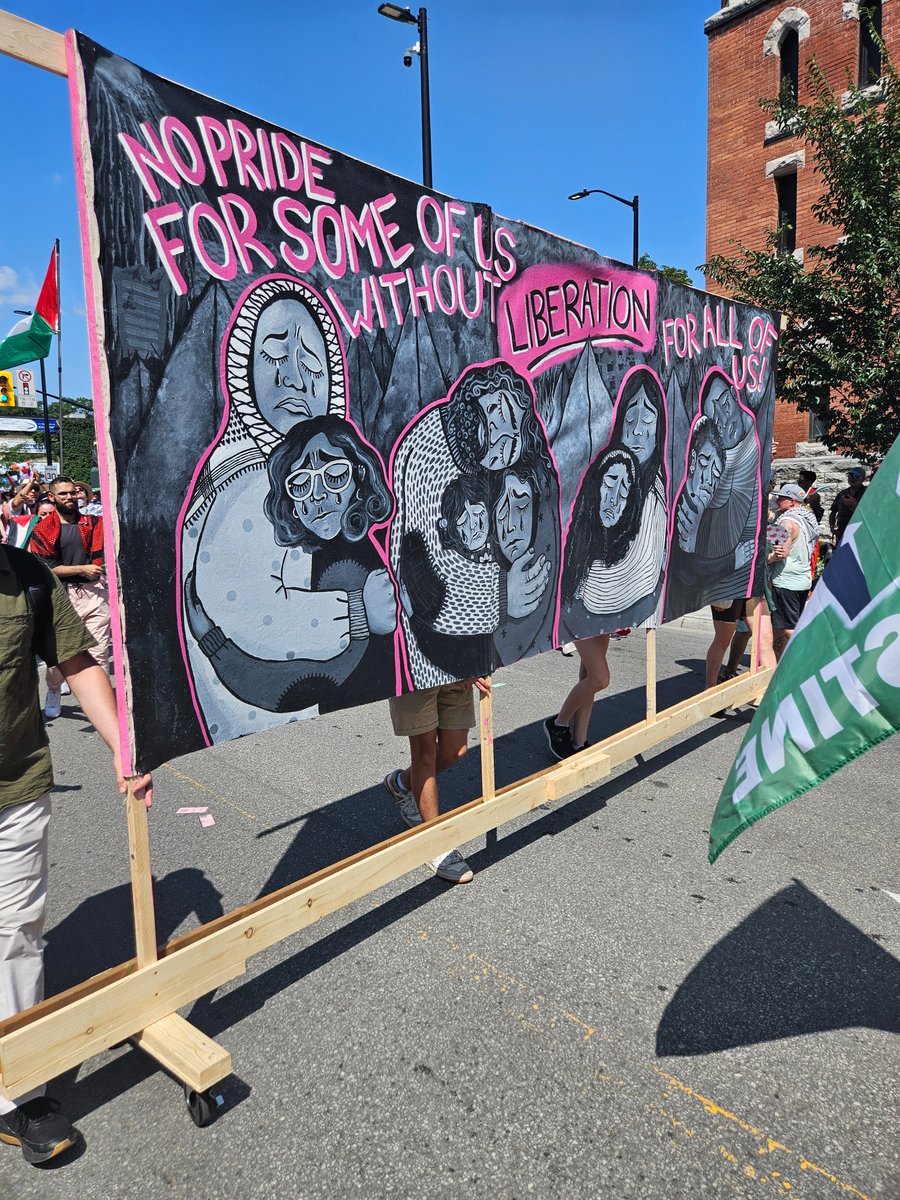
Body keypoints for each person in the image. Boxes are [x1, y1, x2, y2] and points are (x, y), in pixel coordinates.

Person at [0, 541, 152, 1163]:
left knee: (16, 932)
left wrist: (125, 750)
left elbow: (77, 661)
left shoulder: (28, 576)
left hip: (15, 787)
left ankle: (15, 1089)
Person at [180, 275, 349, 743]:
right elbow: (248, 609)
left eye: (311, 360)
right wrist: (359, 612)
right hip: (251, 701)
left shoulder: (289, 472)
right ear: (242, 371)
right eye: (274, 354)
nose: (295, 375)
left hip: (276, 697)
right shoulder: (253, 479)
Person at [184, 415, 397, 718]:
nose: (319, 495)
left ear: (360, 473)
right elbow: (280, 688)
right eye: (300, 484)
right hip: (341, 724)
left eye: (334, 475)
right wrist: (212, 640)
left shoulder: (374, 549)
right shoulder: (305, 562)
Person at [383, 677, 491, 883]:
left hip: (455, 669)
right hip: (415, 670)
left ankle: (400, 783)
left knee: (456, 750)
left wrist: (475, 661)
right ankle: (435, 844)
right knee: (425, 752)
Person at [29, 477, 110, 720]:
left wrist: (95, 572)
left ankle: (103, 710)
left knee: (99, 653)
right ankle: (54, 689)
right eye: (63, 494)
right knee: (60, 659)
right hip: (61, 598)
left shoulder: (94, 523)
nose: (69, 497)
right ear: (52, 498)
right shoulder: (43, 530)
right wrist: (82, 569)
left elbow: (106, 551)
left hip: (94, 592)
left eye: (72, 493)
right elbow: (46, 568)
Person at [768, 482, 818, 657]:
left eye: (782, 497)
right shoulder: (806, 518)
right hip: (802, 581)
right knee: (784, 627)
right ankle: (778, 666)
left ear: (791, 501)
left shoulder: (787, 521)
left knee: (788, 627)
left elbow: (782, 552)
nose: (777, 499)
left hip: (785, 582)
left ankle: (808, 658)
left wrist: (767, 558)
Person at [829, 466, 867, 545]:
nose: (852, 478)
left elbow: (869, 513)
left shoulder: (867, 492)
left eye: (856, 476)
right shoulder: (842, 493)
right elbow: (833, 512)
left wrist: (855, 504)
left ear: (863, 478)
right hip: (841, 532)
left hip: (859, 532)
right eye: (850, 476)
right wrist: (832, 527)